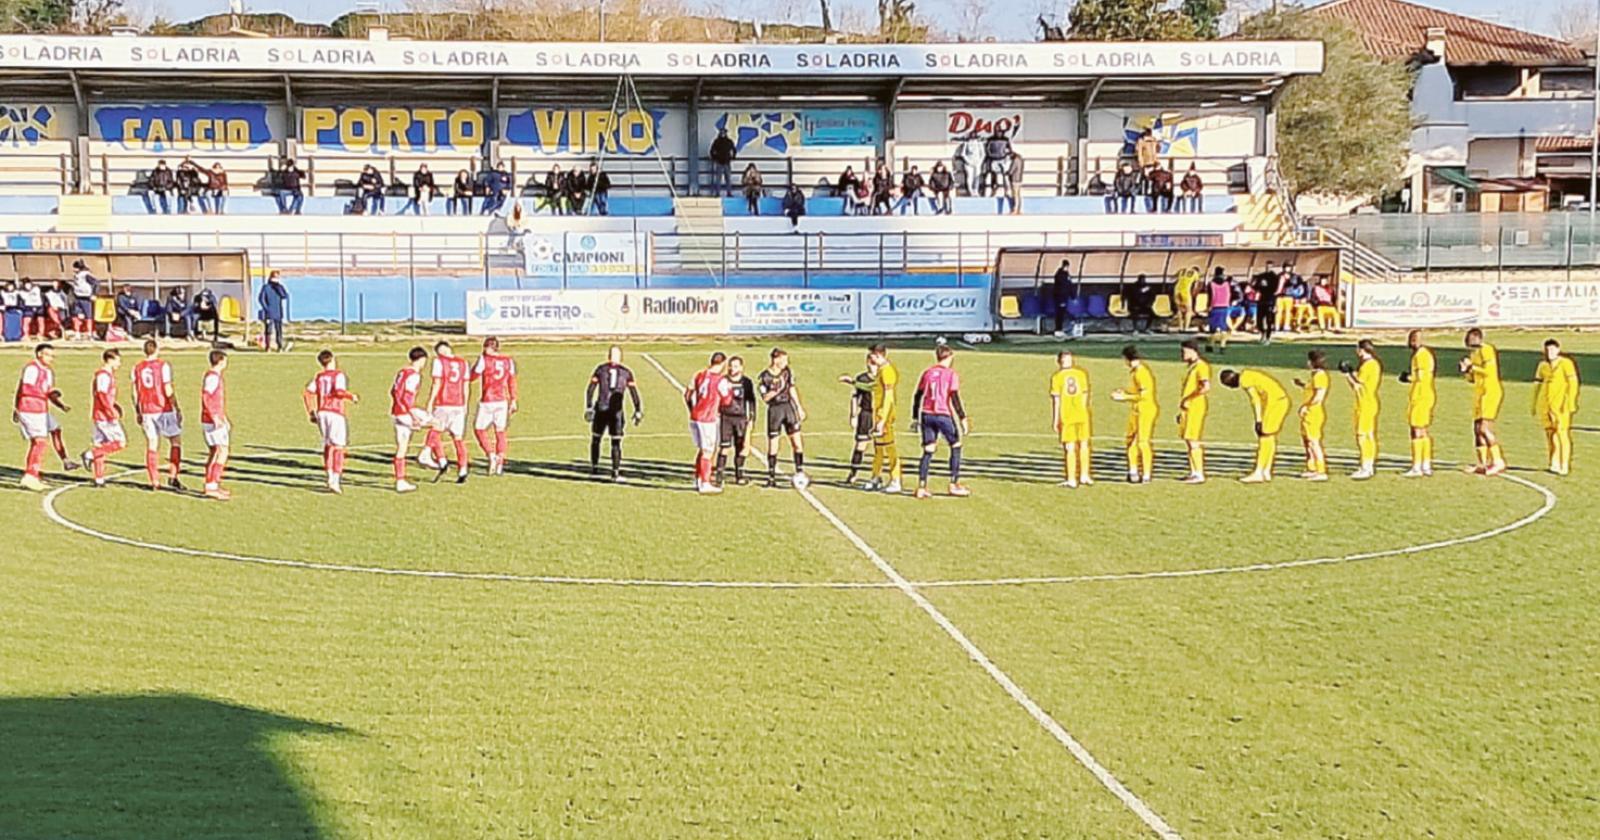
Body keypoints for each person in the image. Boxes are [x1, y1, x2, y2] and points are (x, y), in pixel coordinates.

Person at [910, 344, 970, 499]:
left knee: (928, 449)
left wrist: (915, 418)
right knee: (955, 445)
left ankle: (921, 487)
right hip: (943, 415)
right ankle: (954, 484)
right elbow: (954, 397)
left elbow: (918, 395)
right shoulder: (951, 374)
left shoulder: (928, 373)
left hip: (926, 414)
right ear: (949, 357)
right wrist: (962, 417)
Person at [13, 343, 75, 490]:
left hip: (41, 409)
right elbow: (26, 388)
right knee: (40, 442)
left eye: (52, 356)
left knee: (53, 431)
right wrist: (17, 406)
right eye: (48, 355)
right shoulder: (32, 368)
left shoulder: (48, 372)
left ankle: (38, 472)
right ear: (40, 354)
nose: (51, 358)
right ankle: (30, 475)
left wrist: (59, 403)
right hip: (30, 408)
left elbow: (47, 392)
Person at [1220, 367, 1291, 483]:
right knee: (1270, 437)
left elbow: (1255, 400)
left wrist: (1258, 420)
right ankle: (1266, 470)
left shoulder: (1245, 380)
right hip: (1281, 400)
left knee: (1264, 436)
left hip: (1275, 403)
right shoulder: (1248, 373)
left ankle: (1259, 471)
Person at [302, 349, 358, 494]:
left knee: (328, 445)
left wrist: (311, 411)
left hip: (322, 412)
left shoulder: (319, 376)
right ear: (332, 359)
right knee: (338, 446)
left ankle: (329, 475)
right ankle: (336, 479)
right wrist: (351, 396)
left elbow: (307, 392)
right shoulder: (338, 375)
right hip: (335, 412)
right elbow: (338, 392)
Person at [584, 345, 643, 483]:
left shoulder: (601, 369)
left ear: (608, 356)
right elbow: (633, 393)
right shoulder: (626, 372)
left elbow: (590, 389)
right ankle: (615, 473)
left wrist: (589, 406)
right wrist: (638, 409)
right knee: (615, 442)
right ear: (620, 357)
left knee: (596, 439)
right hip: (616, 412)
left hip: (601, 409)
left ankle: (594, 469)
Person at [131, 339, 183, 491]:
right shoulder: (163, 366)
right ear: (157, 350)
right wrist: (177, 407)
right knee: (175, 441)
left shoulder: (137, 368)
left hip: (147, 410)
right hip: (163, 409)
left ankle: (154, 481)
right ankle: (173, 477)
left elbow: (135, 393)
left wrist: (138, 410)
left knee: (152, 444)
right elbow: (167, 389)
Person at [420, 340, 471, 483]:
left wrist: (430, 401)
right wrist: (465, 403)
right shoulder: (463, 363)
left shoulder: (439, 362)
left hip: (444, 402)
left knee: (435, 430)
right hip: (459, 404)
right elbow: (466, 385)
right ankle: (462, 469)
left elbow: (437, 383)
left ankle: (431, 454)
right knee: (458, 438)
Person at [1460, 328, 1506, 476]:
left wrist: (1471, 367)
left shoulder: (1487, 350)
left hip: (1491, 392)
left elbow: (1488, 371)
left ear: (1477, 338)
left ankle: (1498, 461)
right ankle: (1482, 463)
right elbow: (1472, 379)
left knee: (1484, 428)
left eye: (1470, 338)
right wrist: (1466, 371)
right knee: (1477, 428)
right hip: (1479, 394)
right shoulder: (1473, 354)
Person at [759, 348, 808, 487]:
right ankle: (771, 475)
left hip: (788, 408)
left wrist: (799, 407)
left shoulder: (787, 372)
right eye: (784, 359)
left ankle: (799, 471)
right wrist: (776, 390)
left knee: (797, 443)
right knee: (773, 444)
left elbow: (792, 388)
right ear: (776, 360)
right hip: (775, 410)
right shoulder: (764, 377)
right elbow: (765, 398)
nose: (786, 362)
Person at [470, 337, 518, 477]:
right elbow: (512, 381)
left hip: (488, 400)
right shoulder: (508, 361)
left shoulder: (484, 360)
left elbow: (473, 376)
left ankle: (491, 455)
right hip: (502, 401)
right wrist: (514, 399)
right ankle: (500, 461)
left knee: (479, 429)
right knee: (500, 432)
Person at [1110, 344, 1157, 484]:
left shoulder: (1142, 372)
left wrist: (1124, 397)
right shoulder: (1135, 372)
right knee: (1131, 441)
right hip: (1136, 410)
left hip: (1145, 410)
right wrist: (1125, 393)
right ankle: (1133, 471)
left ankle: (1147, 474)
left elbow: (1144, 394)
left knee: (1142, 442)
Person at [686, 352, 732, 494]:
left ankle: (699, 478)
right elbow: (727, 400)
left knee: (702, 448)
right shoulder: (720, 380)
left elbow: (687, 394)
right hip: (708, 419)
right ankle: (705, 482)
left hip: (695, 416)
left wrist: (692, 409)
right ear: (723, 363)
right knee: (708, 450)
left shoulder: (699, 375)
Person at [1535, 338, 1580, 476]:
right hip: (1546, 405)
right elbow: (1538, 385)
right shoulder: (1543, 366)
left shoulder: (1566, 364)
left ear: (1558, 350)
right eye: (1547, 350)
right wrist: (1534, 403)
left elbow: (1573, 384)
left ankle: (1564, 464)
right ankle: (1553, 461)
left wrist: (1571, 402)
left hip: (1561, 406)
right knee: (1550, 433)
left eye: (1553, 350)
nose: (1550, 353)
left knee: (1562, 433)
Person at [81, 348, 125, 488]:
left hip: (100, 414)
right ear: (110, 360)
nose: (120, 363)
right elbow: (101, 394)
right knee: (119, 442)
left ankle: (99, 478)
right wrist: (110, 411)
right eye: (118, 360)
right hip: (104, 416)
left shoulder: (107, 375)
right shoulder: (104, 375)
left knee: (100, 444)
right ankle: (89, 455)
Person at [1048, 349, 1092, 488]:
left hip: (1067, 416)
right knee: (1084, 445)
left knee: (1070, 447)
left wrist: (1055, 419)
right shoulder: (1081, 374)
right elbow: (1085, 395)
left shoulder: (1057, 377)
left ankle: (1072, 479)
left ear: (1059, 362)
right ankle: (1085, 476)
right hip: (1082, 414)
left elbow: (1057, 400)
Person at [390, 346, 431, 493]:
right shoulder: (414, 375)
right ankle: (426, 454)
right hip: (406, 412)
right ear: (421, 360)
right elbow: (407, 397)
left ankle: (400, 481)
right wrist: (413, 416)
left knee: (402, 448)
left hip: (396, 412)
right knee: (437, 424)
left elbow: (394, 392)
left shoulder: (402, 372)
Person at [866, 343, 903, 493]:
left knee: (890, 448)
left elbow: (888, 397)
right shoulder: (881, 371)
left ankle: (896, 480)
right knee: (878, 449)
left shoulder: (887, 371)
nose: (871, 358)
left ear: (879, 355)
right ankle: (876, 477)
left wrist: (882, 420)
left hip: (885, 416)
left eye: (873, 355)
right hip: (879, 414)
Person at [716, 355, 758, 486]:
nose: (732, 369)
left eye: (735, 366)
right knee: (724, 447)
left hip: (740, 418)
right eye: (730, 365)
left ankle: (739, 475)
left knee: (741, 447)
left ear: (741, 367)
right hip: (726, 417)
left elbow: (751, 400)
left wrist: (752, 417)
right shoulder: (722, 381)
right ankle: (719, 475)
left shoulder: (746, 382)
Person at [1399, 330, 1436, 477]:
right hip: (1426, 394)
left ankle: (1417, 466)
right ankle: (1426, 464)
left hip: (1420, 395)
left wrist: (1406, 378)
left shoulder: (1421, 356)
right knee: (1423, 430)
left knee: (1416, 430)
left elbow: (1420, 377)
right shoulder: (1426, 354)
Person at [1345, 339, 1382, 480]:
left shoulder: (1367, 365)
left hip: (1364, 403)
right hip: (1371, 401)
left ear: (1361, 350)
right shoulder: (1375, 364)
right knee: (1369, 435)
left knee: (1362, 435)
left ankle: (1365, 466)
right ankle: (1369, 464)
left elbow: (1357, 384)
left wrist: (1347, 374)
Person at [839, 354, 878, 486]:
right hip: (866, 414)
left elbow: (872, 387)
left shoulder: (883, 377)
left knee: (881, 447)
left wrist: (851, 381)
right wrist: (853, 415)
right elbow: (855, 397)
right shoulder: (862, 378)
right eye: (871, 363)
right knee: (861, 445)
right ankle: (853, 473)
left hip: (880, 415)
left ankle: (877, 475)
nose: (873, 367)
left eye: (875, 363)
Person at [1176, 340, 1210, 484]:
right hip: (1188, 407)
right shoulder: (1193, 367)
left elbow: (1205, 387)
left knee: (1193, 440)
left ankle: (1199, 473)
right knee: (1189, 439)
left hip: (1195, 407)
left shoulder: (1202, 366)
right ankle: (1193, 472)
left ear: (1192, 351)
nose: (1182, 355)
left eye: (1184, 352)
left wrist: (1189, 398)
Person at [1294, 351, 1331, 481]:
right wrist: (1302, 385)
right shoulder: (1314, 375)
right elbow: (1312, 390)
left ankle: (1321, 471)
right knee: (1307, 442)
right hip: (1308, 413)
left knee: (1314, 442)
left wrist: (1306, 406)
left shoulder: (1320, 376)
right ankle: (1312, 467)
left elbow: (1318, 396)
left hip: (1313, 413)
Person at [199, 350, 230, 501]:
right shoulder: (212, 377)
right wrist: (215, 417)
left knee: (215, 451)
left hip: (214, 418)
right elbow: (206, 397)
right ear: (221, 361)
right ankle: (211, 485)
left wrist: (223, 416)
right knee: (221, 451)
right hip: (212, 421)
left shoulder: (213, 376)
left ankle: (212, 485)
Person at [258, 270, 290, 352]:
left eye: (277, 277)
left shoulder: (279, 287)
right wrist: (266, 308)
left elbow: (284, 296)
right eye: (275, 277)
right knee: (268, 330)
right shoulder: (266, 287)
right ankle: (268, 347)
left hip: (278, 312)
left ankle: (279, 346)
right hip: (269, 313)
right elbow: (261, 299)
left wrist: (279, 288)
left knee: (279, 330)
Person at [1205, 268, 1232, 354]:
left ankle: (1211, 345)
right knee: (1223, 328)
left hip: (1215, 307)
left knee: (1214, 329)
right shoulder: (1227, 284)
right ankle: (1222, 345)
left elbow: (1210, 296)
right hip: (1224, 306)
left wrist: (1208, 306)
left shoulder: (1211, 284)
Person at [1251, 262, 1280, 344]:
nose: (1268, 268)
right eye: (1267, 266)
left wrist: (1274, 304)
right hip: (1261, 300)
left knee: (1269, 320)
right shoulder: (1261, 276)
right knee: (1259, 320)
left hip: (1270, 301)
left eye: (1270, 266)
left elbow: (1275, 290)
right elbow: (1255, 287)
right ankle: (1262, 333)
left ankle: (1268, 337)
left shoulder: (1274, 277)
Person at [982, 128, 1011, 197]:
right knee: (993, 174)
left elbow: (1009, 149)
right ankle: (993, 190)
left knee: (1005, 175)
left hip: (1003, 159)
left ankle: (1006, 191)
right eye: (997, 132)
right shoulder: (990, 139)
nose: (998, 134)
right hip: (993, 159)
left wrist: (1006, 154)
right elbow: (987, 149)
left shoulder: (1005, 139)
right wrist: (990, 155)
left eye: (1000, 132)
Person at [1051, 259, 1076, 338]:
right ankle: (1058, 329)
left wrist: (1072, 295)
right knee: (1059, 313)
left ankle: (1060, 329)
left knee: (1062, 313)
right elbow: (1063, 287)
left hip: (1064, 297)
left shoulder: (1066, 275)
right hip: (1060, 297)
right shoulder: (1060, 275)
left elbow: (1070, 286)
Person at [708, 128, 736, 196]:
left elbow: (734, 150)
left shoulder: (729, 141)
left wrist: (732, 157)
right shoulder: (716, 141)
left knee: (728, 179)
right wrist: (714, 158)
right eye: (722, 132)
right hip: (719, 162)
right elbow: (711, 151)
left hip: (726, 162)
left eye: (724, 132)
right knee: (718, 179)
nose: (723, 134)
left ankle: (729, 192)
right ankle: (718, 193)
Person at [958, 132, 984, 196]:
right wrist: (968, 161)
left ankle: (976, 190)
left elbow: (983, 154)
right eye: (971, 136)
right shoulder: (966, 143)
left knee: (977, 176)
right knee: (970, 176)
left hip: (978, 162)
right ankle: (970, 190)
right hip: (968, 163)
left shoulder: (979, 143)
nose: (973, 138)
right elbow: (963, 154)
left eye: (974, 136)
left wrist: (979, 162)